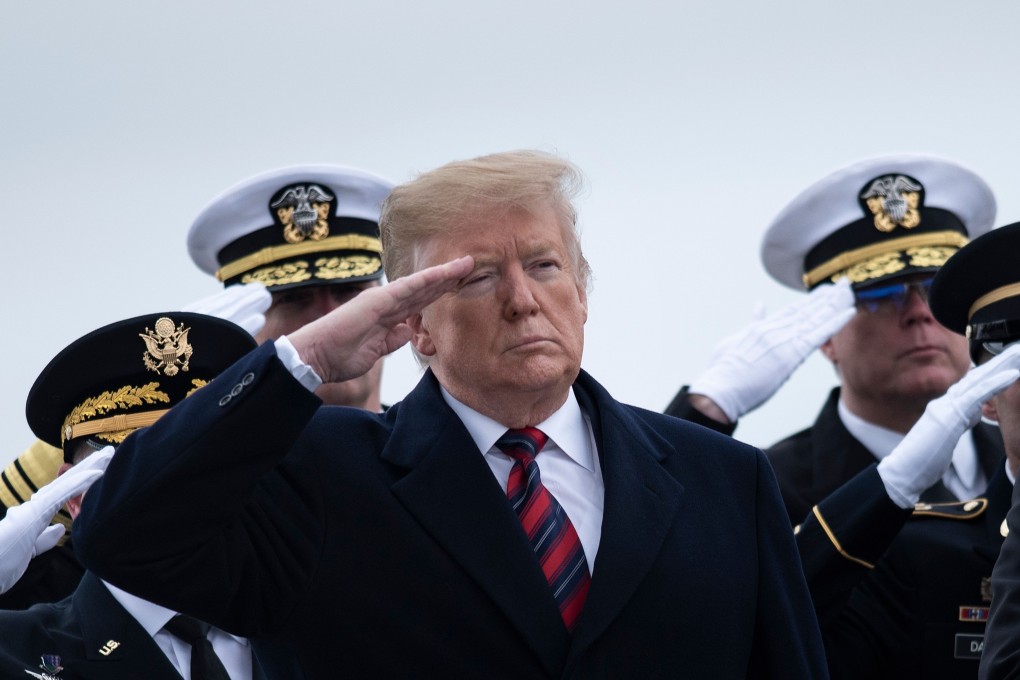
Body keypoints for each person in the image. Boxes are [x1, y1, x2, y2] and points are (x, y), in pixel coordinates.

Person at [74, 150, 827, 679]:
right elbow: (124, 538)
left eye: (543, 265)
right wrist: (297, 365)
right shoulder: (322, 471)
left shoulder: (722, 478)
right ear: (414, 325)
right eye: (477, 279)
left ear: (584, 293)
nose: (522, 299)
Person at [667, 154, 1001, 523]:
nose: (918, 311)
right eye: (881, 296)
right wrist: (706, 408)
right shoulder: (768, 491)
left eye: (935, 288)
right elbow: (653, 536)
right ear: (825, 334)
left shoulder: (1012, 453)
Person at [0, 311, 262, 679]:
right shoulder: (17, 651)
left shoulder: (315, 625)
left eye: (201, 462)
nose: (174, 492)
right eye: (135, 471)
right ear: (74, 496)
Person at [187, 164, 395, 410]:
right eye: (294, 298)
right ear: (249, 333)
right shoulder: (213, 450)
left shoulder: (442, 446)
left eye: (349, 291)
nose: (332, 316)